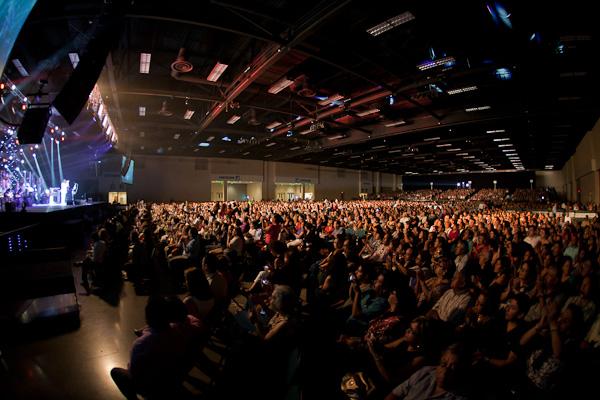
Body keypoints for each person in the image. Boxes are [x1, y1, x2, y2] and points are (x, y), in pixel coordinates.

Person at [384, 343, 467, 400]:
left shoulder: (459, 396)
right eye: (443, 364)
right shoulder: (426, 372)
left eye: (453, 369)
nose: (445, 372)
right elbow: (395, 394)